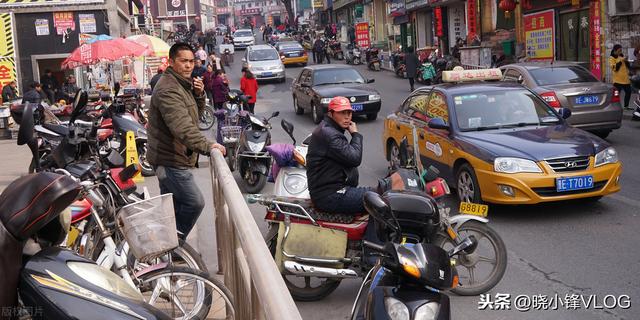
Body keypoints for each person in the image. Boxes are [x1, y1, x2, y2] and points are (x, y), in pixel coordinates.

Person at [147, 42, 226, 239]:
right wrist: (208, 146)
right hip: (170, 159)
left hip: (173, 157)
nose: (189, 66)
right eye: (183, 61)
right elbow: (183, 127)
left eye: (191, 61)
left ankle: (167, 248)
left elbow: (193, 118)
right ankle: (174, 245)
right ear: (172, 62)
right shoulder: (168, 89)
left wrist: (199, 95)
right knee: (194, 202)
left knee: (172, 210)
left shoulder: (183, 85)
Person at [307, 96, 369, 215]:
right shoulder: (330, 134)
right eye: (342, 113)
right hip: (330, 195)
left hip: (333, 191)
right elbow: (354, 158)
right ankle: (372, 235)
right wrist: (356, 135)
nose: (347, 117)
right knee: (375, 200)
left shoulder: (329, 129)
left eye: (349, 113)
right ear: (331, 114)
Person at [609, 44, 632, 110]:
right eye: (619, 51)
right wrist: (621, 61)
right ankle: (614, 107)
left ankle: (626, 106)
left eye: (621, 50)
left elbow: (627, 66)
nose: (620, 52)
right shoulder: (612, 58)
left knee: (628, 92)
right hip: (617, 80)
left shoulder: (621, 56)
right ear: (615, 51)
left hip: (625, 79)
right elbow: (614, 68)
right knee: (616, 95)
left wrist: (626, 61)